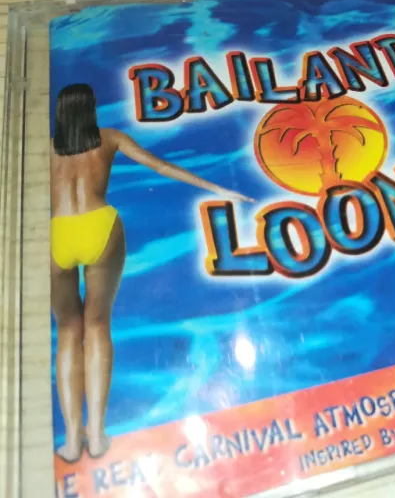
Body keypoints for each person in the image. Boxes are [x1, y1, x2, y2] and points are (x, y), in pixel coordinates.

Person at [50, 83, 253, 463]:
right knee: (98, 326)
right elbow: (159, 166)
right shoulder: (110, 138)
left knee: (68, 332)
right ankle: (97, 435)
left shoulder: (48, 150)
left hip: (59, 232)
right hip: (100, 226)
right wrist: (217, 187)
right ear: (91, 108)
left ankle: (73, 441)